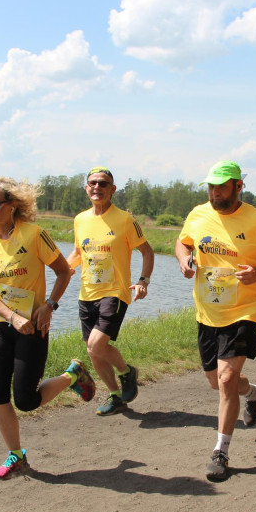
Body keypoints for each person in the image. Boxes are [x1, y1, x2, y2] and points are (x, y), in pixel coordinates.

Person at [0, 177, 97, 480]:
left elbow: (64, 272)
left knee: (26, 401)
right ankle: (16, 456)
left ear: (12, 206)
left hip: (34, 325)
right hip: (1, 325)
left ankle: (73, 374)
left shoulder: (34, 235)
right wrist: (11, 317)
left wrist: (50, 305)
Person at [176, 161, 256, 482]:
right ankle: (253, 393)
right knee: (217, 381)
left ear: (239, 186)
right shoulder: (198, 214)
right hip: (208, 311)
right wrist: (184, 259)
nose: (215, 191)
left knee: (224, 380)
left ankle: (220, 451)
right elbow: (183, 241)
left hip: (245, 310)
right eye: (211, 186)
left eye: (221, 186)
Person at [66, 167, 155, 416]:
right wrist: (62, 269)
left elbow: (147, 251)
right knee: (92, 350)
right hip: (87, 292)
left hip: (115, 291)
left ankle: (127, 372)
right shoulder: (80, 219)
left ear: (112, 190)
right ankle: (115, 395)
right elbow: (77, 253)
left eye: (103, 184)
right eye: (92, 183)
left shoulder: (125, 219)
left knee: (96, 344)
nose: (97, 188)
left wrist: (143, 280)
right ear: (86, 187)